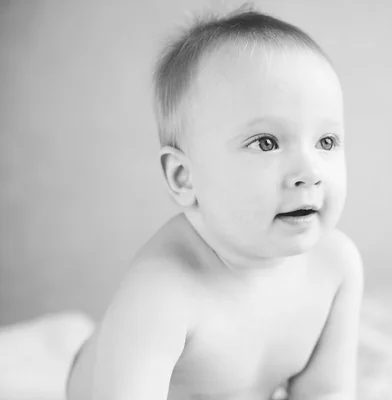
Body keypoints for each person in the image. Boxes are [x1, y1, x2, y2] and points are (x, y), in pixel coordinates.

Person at [67, 4, 363, 400]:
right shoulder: (163, 290)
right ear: (183, 177)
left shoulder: (336, 267)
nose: (309, 171)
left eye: (326, 141)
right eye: (266, 142)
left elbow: (325, 393)